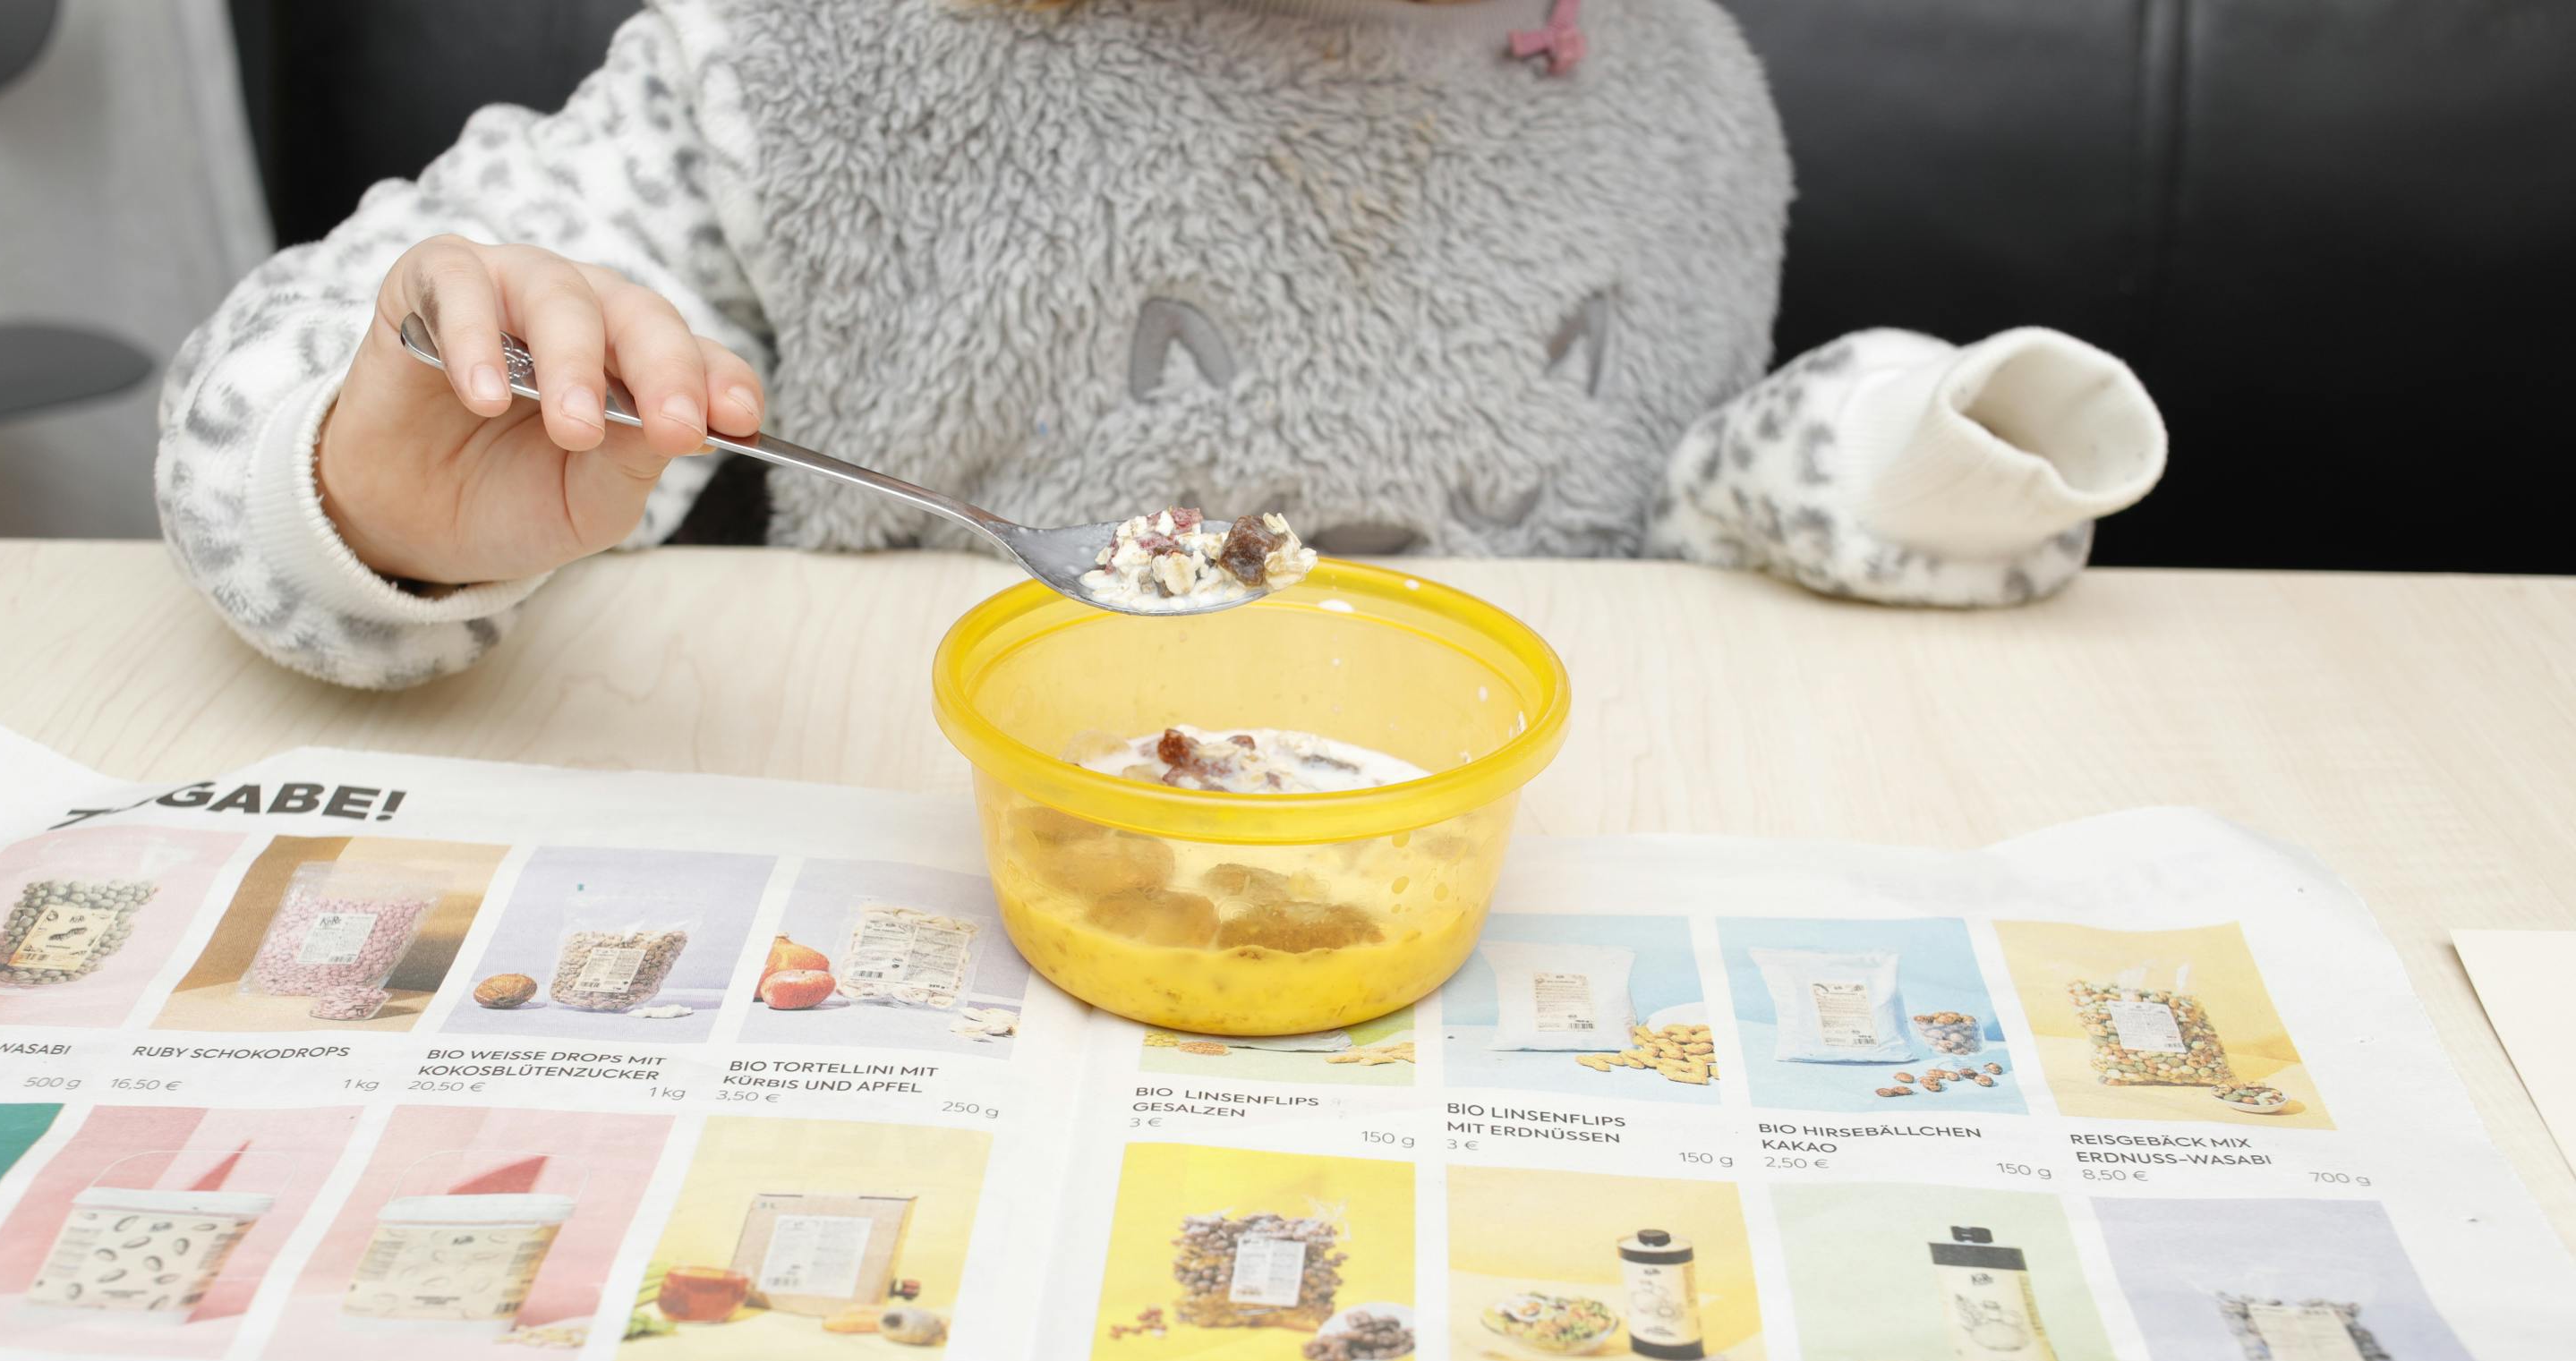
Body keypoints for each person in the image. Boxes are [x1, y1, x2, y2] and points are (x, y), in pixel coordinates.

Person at [158, 0, 2166, 690]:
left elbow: (1686, 487)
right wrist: (372, 494)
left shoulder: (1669, 87)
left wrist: (1932, 445)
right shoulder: (816, 64)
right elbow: (333, 354)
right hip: (945, 879)